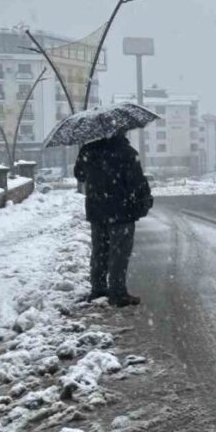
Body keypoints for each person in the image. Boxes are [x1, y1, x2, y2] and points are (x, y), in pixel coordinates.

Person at [73, 132, 153, 307]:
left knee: (99, 251)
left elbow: (79, 175)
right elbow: (138, 182)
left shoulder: (88, 150)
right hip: (121, 211)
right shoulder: (127, 152)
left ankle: (98, 290)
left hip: (97, 210)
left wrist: (95, 173)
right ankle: (117, 293)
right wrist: (145, 200)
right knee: (119, 253)